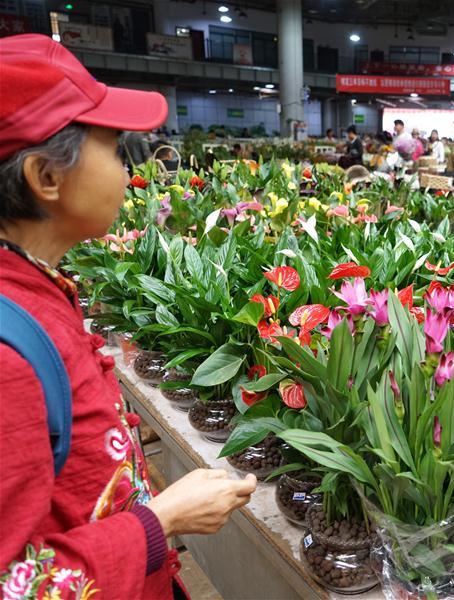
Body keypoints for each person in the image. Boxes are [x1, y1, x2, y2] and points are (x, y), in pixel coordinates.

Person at [0, 34, 257, 600]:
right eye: (115, 149)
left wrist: (136, 490)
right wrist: (159, 520)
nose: (127, 170)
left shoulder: (37, 290)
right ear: (46, 178)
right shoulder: (8, 360)